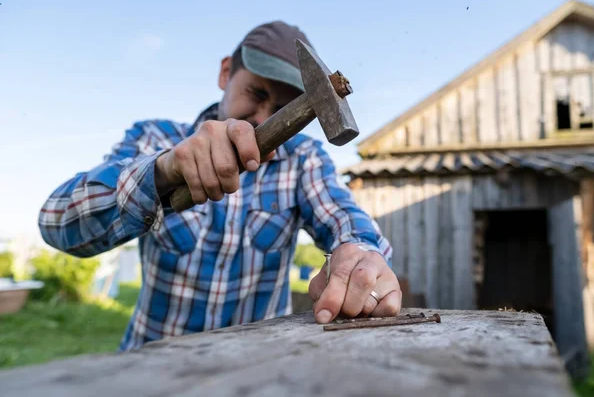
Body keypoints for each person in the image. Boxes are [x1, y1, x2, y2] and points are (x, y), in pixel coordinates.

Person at [38, 20, 401, 351]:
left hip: (255, 371)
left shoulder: (303, 159)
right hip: (150, 366)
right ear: (226, 72)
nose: (262, 118)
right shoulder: (153, 139)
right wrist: (162, 172)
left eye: (281, 106)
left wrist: (358, 253)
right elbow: (58, 223)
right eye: (256, 93)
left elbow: (344, 217)